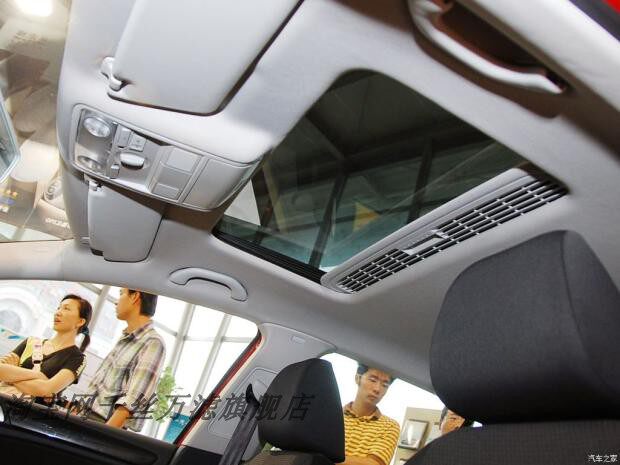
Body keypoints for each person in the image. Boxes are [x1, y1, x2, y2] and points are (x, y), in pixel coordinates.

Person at [82, 288, 165, 431]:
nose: (116, 301)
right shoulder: (127, 337)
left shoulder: (153, 342)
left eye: (121, 294)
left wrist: (102, 436)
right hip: (86, 417)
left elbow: (132, 402)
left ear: (135, 296)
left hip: (101, 426)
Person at [0, 294, 91, 400]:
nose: (58, 312)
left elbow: (46, 390)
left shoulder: (77, 358)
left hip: (27, 410)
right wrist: (38, 376)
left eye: (66, 309)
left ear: (80, 321)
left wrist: (11, 375)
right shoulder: (31, 342)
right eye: (58, 308)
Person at [341, 364, 400, 465]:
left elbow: (374, 464)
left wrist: (325, 459)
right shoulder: (331, 415)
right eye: (373, 380)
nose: (377, 389)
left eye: (385, 385)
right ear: (358, 378)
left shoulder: (389, 426)